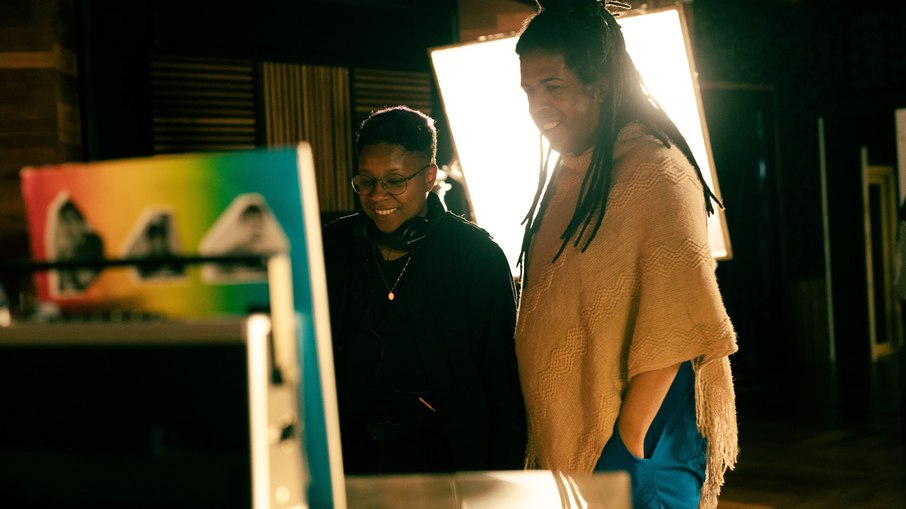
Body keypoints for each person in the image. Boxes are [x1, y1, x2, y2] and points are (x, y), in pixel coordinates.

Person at [513, 1, 738, 508]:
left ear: (601, 85)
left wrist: (628, 444)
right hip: (589, 451)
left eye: (553, 87)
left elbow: (680, 322)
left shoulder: (656, 169)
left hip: (641, 450)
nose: (538, 106)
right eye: (529, 91)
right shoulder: (579, 171)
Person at [322, 105, 526, 474]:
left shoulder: (476, 257)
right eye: (365, 182)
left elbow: (503, 388)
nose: (377, 195)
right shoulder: (334, 245)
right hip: (349, 458)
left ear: (429, 176)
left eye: (395, 181)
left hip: (445, 461)